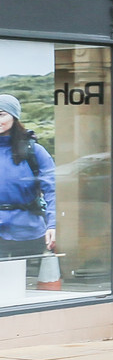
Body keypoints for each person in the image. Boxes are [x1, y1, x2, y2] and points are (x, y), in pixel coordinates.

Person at [0, 95, 54, 259]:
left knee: (25, 284)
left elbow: (53, 190)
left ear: (14, 117)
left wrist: (53, 225)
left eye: (1, 114)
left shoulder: (34, 151)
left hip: (28, 234)